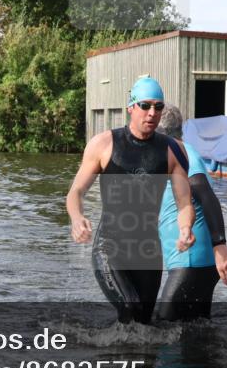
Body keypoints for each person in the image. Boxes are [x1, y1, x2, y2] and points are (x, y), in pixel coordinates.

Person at [66, 77, 195, 325]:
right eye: (145, 105)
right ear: (131, 107)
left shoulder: (173, 150)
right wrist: (77, 218)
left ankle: (138, 363)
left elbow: (185, 203)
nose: (152, 113)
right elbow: (75, 192)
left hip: (148, 251)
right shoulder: (104, 144)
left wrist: (185, 228)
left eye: (159, 107)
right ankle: (114, 362)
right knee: (129, 307)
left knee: (144, 325)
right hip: (110, 247)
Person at [155, 105, 227, 321]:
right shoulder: (172, 155)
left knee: (165, 325)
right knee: (195, 330)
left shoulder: (181, 153)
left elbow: (205, 194)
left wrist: (220, 245)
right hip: (193, 260)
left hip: (192, 261)